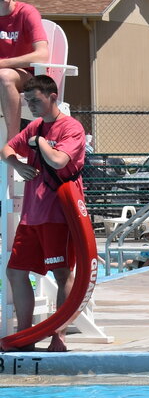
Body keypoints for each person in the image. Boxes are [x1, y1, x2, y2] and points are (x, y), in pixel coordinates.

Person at [2, 75, 87, 352]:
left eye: (35, 101)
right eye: (28, 102)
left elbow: (59, 160)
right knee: (15, 272)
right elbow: (5, 149)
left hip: (57, 216)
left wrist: (39, 142)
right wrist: (16, 163)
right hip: (31, 215)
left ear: (53, 97)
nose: (32, 107)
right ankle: (25, 336)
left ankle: (58, 337)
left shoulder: (71, 128)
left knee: (61, 275)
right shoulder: (36, 126)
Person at [0, 0, 51, 142]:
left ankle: (13, 142)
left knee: (5, 76)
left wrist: (3, 63)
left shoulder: (26, 13)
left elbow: (42, 55)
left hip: (30, 78)